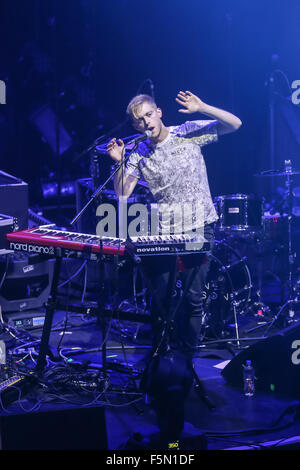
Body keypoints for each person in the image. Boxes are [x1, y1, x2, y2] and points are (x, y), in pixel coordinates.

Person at [107, 91, 241, 446]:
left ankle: (183, 364)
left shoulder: (189, 131)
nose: (146, 123)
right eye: (139, 120)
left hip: (199, 227)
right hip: (163, 232)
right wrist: (119, 161)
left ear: (159, 113)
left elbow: (235, 124)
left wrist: (203, 107)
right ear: (134, 124)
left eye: (149, 115)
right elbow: (122, 194)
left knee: (194, 300)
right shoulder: (137, 152)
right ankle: (165, 369)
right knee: (163, 303)